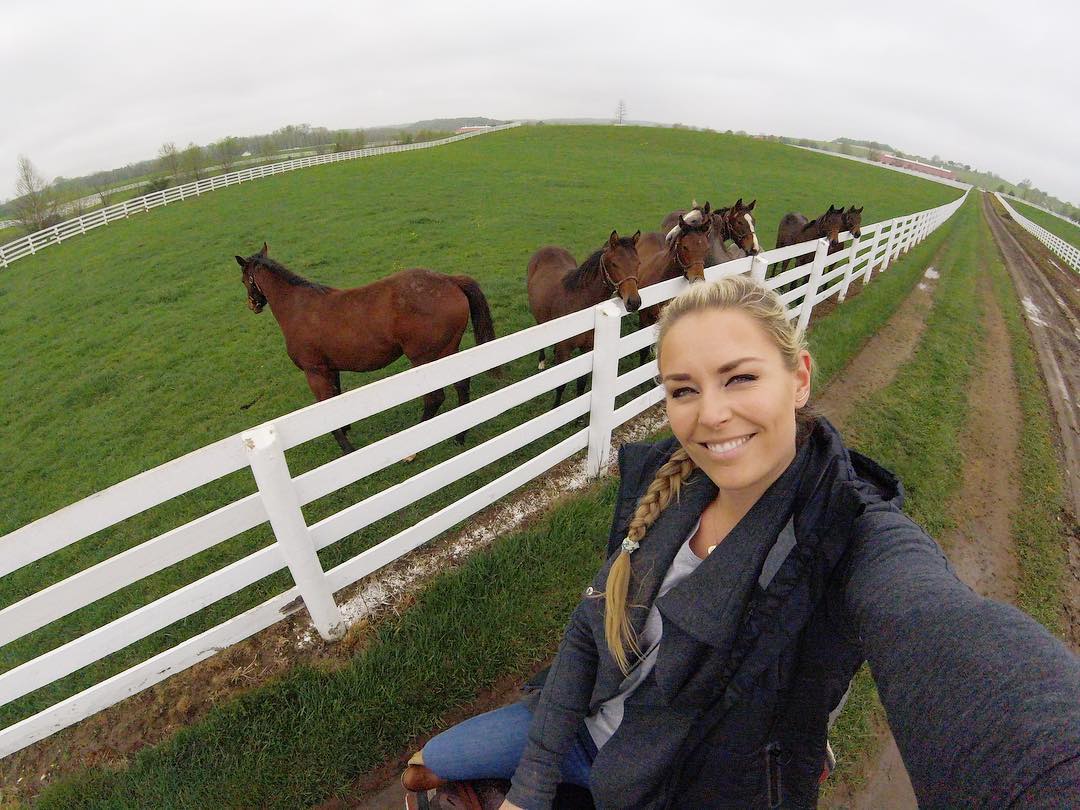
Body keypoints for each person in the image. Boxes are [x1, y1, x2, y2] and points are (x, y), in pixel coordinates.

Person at [402, 275, 1080, 809]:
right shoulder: (668, 483)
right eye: (683, 389)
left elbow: (940, 624)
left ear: (800, 378)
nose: (712, 414)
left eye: (741, 377)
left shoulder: (851, 533)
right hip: (578, 726)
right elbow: (588, 630)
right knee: (426, 766)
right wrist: (533, 784)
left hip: (669, 779)